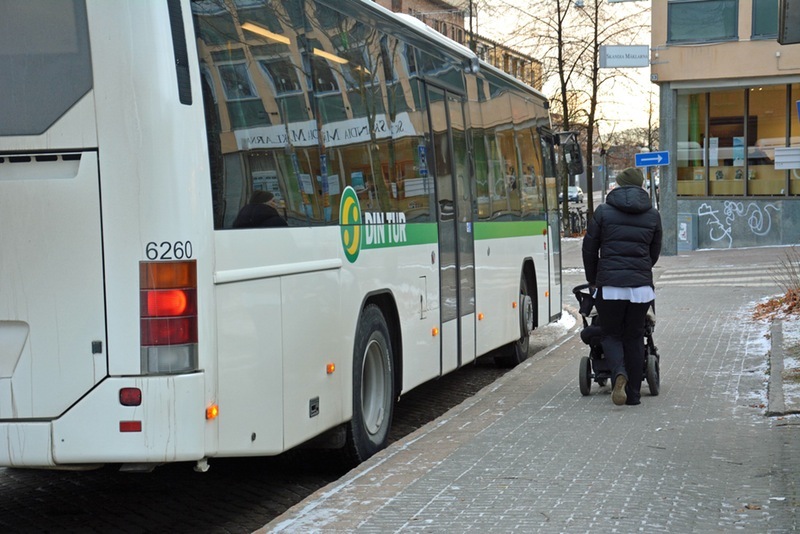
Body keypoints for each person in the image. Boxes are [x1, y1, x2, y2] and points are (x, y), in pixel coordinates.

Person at [582, 167, 662, 406]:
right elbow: (654, 251)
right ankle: (634, 396)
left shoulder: (604, 212)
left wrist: (594, 279)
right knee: (635, 337)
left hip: (610, 287)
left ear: (618, 185)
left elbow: (589, 248)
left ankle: (619, 374)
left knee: (611, 334)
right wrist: (641, 268)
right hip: (640, 289)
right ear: (641, 187)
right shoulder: (653, 215)